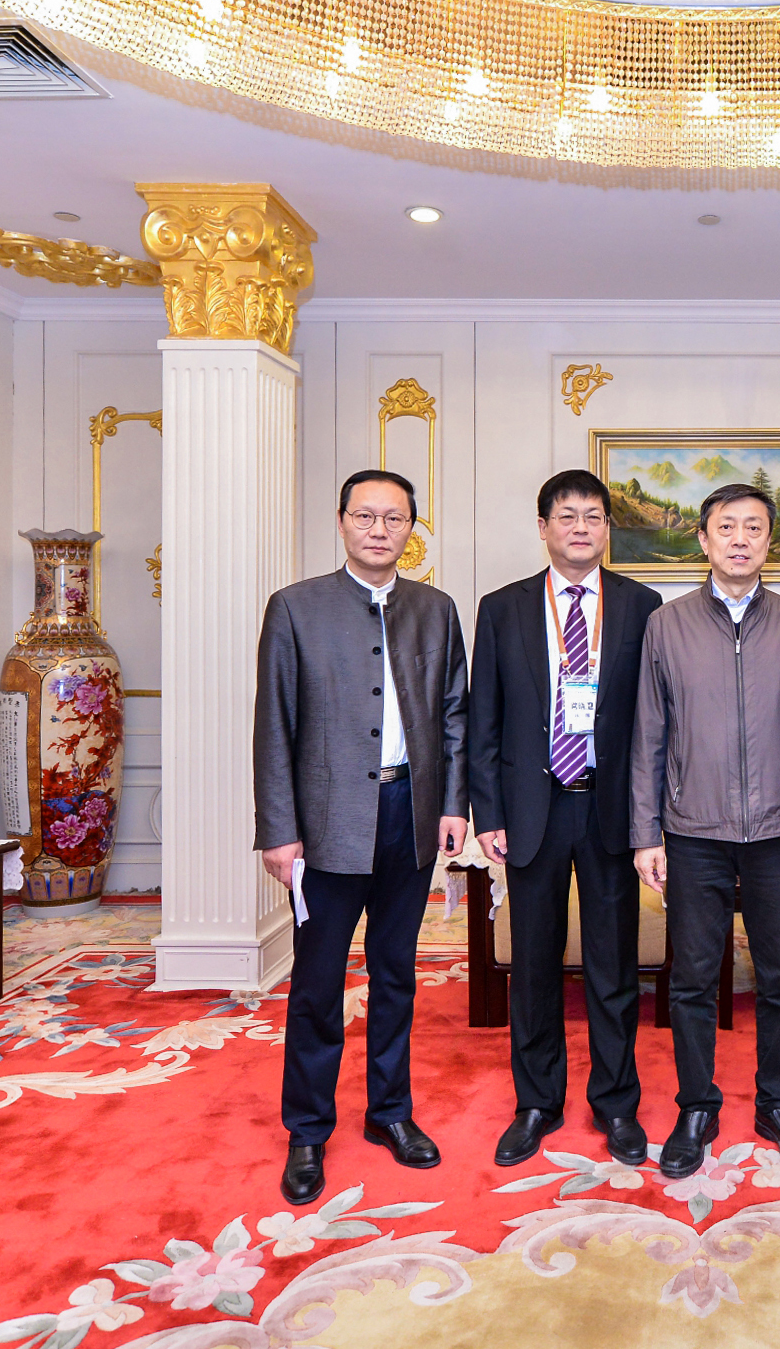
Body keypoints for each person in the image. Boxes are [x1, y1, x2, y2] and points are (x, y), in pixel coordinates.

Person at [255, 469, 470, 1207]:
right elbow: (273, 727)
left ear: (412, 528)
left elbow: (454, 716)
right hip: (326, 827)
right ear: (342, 521)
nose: (380, 530)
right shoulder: (296, 608)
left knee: (396, 975)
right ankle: (308, 1129)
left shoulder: (436, 610)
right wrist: (279, 831)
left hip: (411, 815)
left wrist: (453, 805)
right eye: (366, 516)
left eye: (395, 518)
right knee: (318, 985)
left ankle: (390, 1113)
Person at [630, 482, 780, 1180]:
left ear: (769, 542)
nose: (741, 539)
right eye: (727, 527)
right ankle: (697, 1106)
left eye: (754, 527)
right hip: (694, 830)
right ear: (704, 539)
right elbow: (648, 735)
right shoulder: (668, 625)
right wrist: (646, 833)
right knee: (692, 978)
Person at [469, 469, 663, 1168]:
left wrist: (651, 818)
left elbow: (654, 720)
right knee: (534, 966)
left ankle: (616, 1103)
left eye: (593, 516)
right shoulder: (503, 608)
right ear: (543, 527)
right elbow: (484, 719)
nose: (580, 528)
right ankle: (537, 1102)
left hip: (610, 808)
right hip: (533, 809)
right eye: (566, 515)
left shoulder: (643, 605)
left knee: (613, 967)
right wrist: (488, 811)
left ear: (608, 528)